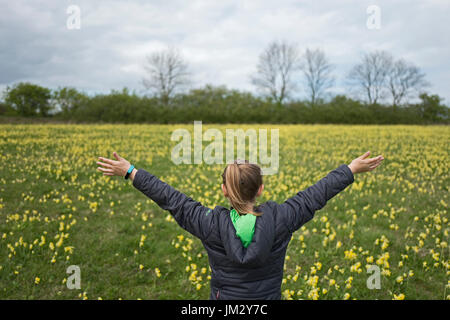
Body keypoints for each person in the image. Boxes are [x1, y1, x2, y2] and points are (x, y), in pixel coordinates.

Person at [97, 151, 384, 299]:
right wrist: (349, 170)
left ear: (224, 190)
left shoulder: (208, 224)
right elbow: (315, 195)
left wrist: (131, 172)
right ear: (260, 189)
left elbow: (171, 199)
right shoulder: (281, 219)